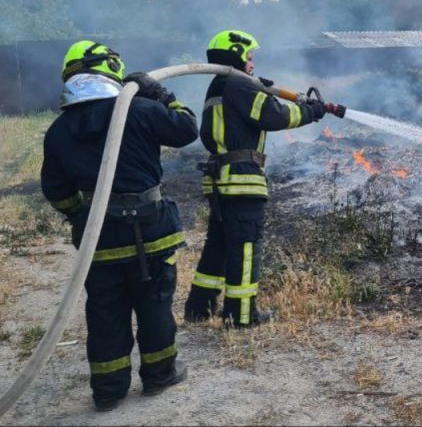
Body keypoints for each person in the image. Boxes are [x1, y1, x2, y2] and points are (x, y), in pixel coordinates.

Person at [40, 40, 196, 411]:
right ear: (111, 68)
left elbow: (56, 190)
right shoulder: (141, 110)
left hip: (100, 239)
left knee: (105, 311)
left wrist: (82, 215)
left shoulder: (59, 130)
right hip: (151, 230)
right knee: (155, 305)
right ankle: (160, 375)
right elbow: (187, 129)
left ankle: (108, 390)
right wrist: (161, 95)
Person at [183, 30, 326, 327]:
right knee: (246, 247)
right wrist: (310, 111)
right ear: (235, 54)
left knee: (218, 244)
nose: (252, 62)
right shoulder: (239, 84)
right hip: (242, 180)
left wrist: (262, 90)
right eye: (249, 56)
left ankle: (199, 307)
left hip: (221, 179)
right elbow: (274, 116)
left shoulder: (219, 84)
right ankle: (242, 315)